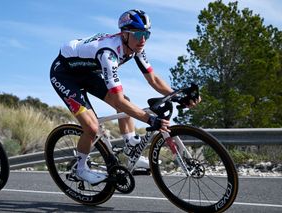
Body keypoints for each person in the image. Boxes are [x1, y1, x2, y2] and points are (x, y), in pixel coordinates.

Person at [50, 9, 200, 184]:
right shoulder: (109, 54)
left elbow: (153, 79)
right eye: (138, 34)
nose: (142, 39)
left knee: (126, 102)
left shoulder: (136, 47)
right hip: (64, 75)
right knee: (91, 127)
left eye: (146, 34)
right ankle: (80, 169)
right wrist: (150, 120)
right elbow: (117, 99)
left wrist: (178, 96)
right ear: (124, 34)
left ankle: (130, 149)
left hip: (87, 73)